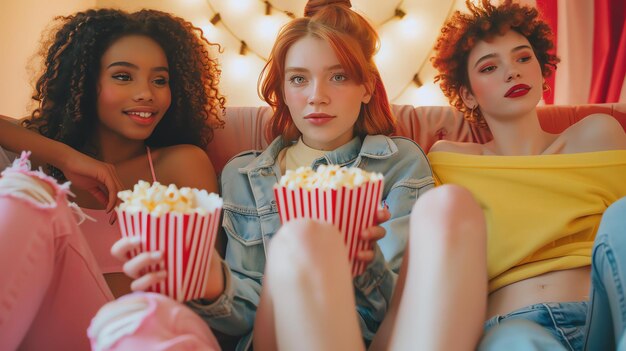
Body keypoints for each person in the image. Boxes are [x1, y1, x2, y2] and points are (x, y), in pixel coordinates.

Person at [101, 0, 434, 350]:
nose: (317, 97)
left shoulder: (400, 163)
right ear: (283, 91)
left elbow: (409, 306)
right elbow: (246, 315)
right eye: (299, 79)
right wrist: (212, 281)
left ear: (366, 87)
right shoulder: (243, 175)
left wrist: (365, 262)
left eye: (338, 77)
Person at [387, 0, 625, 350]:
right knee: (518, 341)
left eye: (523, 58)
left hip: (604, 317)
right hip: (512, 326)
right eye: (488, 67)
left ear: (543, 72)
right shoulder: (447, 161)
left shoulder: (599, 135)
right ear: (467, 95)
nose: (512, 72)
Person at [0, 8, 225, 350]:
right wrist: (67, 158)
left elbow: (204, 287)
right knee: (26, 194)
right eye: (123, 76)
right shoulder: (37, 161)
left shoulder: (181, 163)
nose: (146, 94)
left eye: (160, 80)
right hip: (46, 333)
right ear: (86, 83)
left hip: (141, 336)